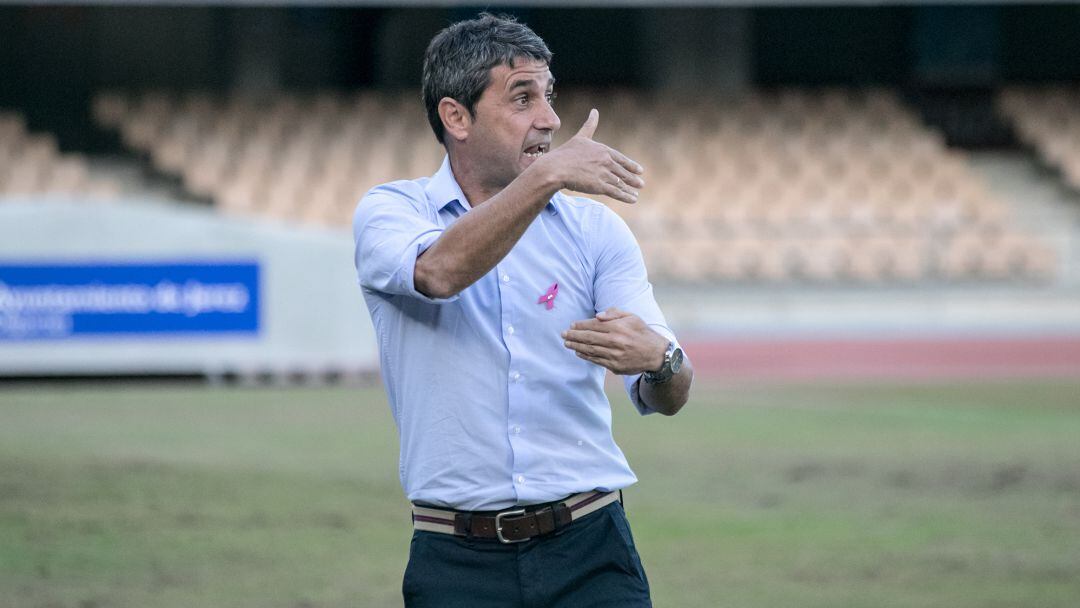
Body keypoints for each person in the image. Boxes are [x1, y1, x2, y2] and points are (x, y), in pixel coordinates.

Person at [352, 13, 693, 608]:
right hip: (455, 559)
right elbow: (438, 273)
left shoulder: (595, 232)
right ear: (456, 117)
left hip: (592, 548)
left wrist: (662, 361)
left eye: (549, 95)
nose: (551, 119)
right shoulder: (391, 213)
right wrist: (551, 175)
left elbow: (669, 391)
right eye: (522, 97)